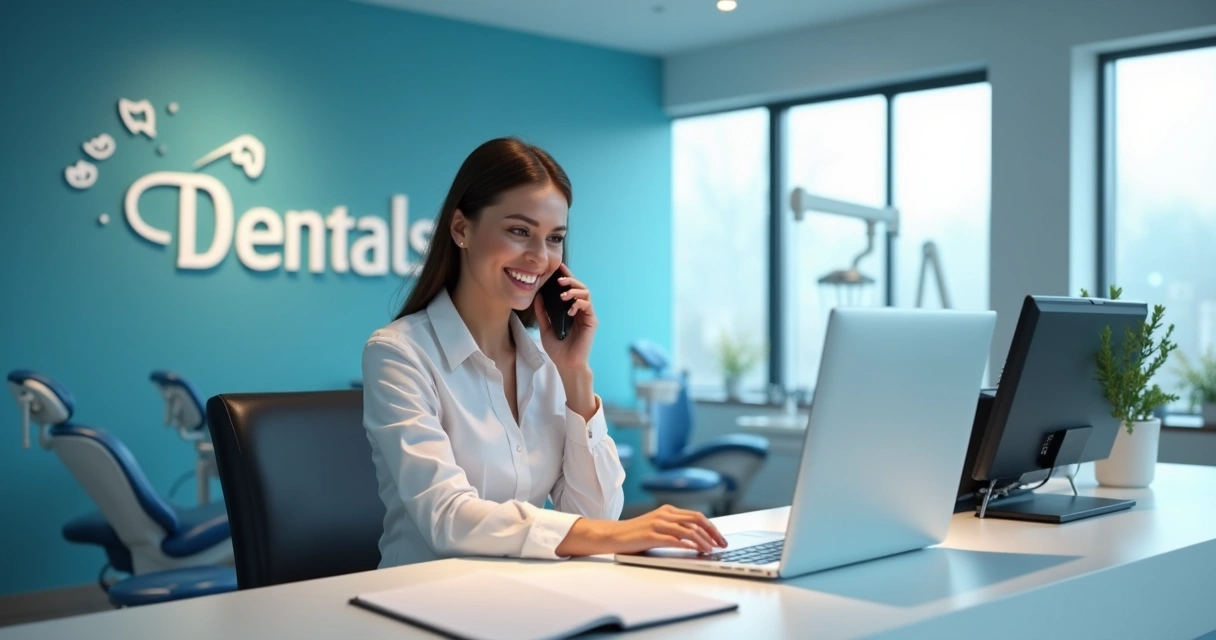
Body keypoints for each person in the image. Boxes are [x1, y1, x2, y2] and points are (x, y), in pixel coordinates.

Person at [362, 137, 727, 568]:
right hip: (417, 604)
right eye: (519, 232)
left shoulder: (548, 365)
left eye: (554, 238)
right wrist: (621, 531)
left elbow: (594, 517)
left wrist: (575, 375)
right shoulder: (399, 355)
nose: (539, 257)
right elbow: (447, 518)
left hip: (525, 599)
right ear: (461, 229)